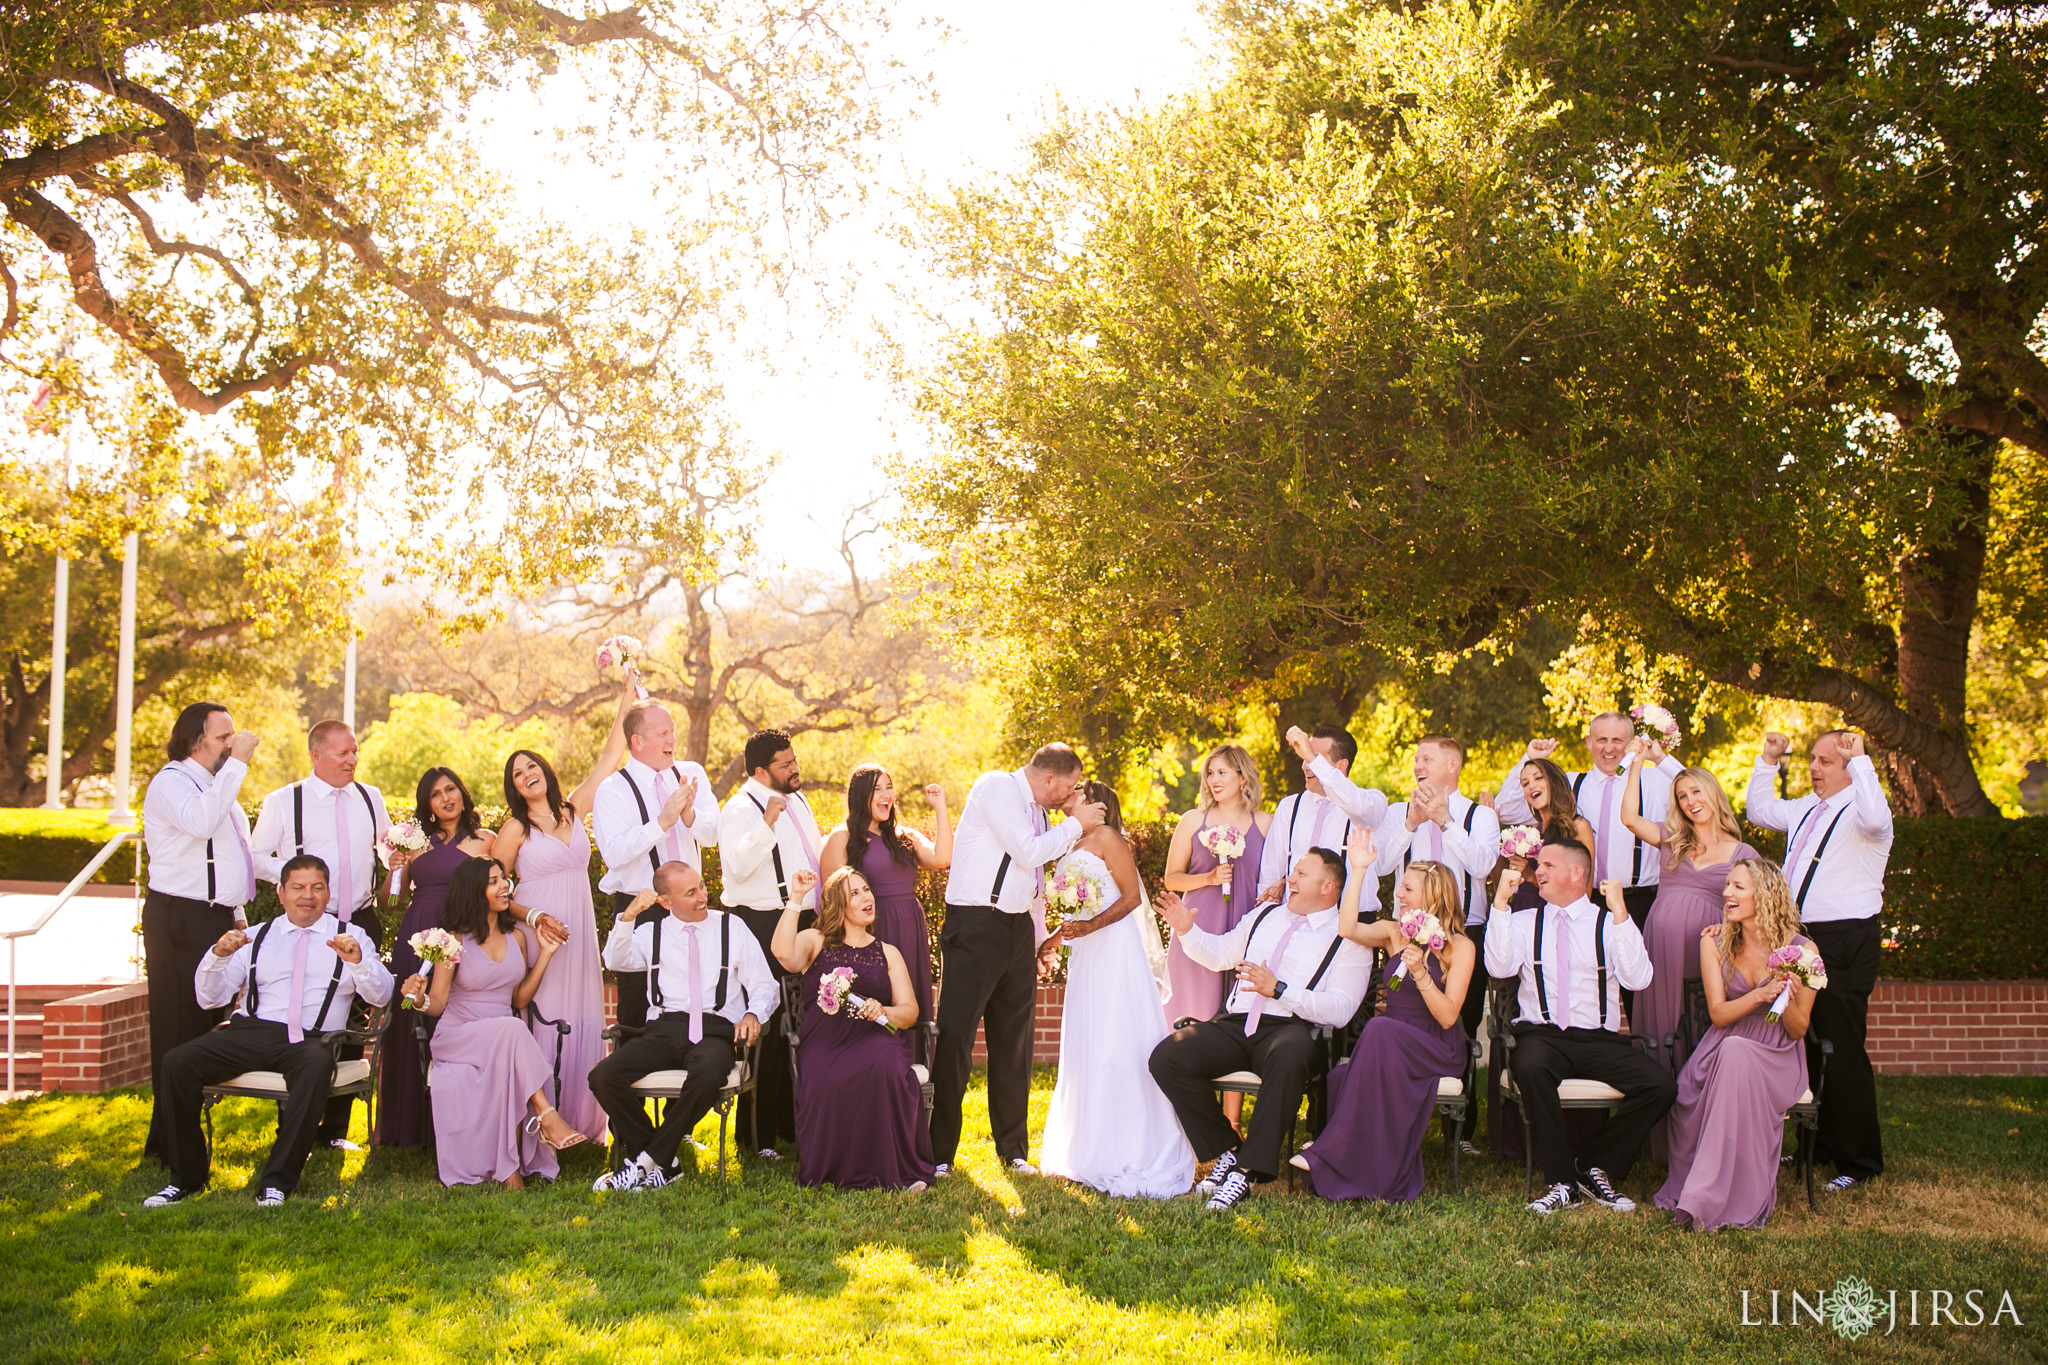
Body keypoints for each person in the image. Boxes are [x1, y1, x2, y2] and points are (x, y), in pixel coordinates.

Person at [142, 855, 393, 1207]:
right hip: (250, 1032)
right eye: (298, 888)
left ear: (328, 892)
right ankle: (186, 1178)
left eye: (317, 887)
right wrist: (217, 956)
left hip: (311, 1039)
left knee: (316, 1066)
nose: (308, 895)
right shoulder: (256, 936)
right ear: (281, 893)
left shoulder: (352, 937)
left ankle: (277, 1181)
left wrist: (359, 963)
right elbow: (209, 998)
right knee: (177, 1062)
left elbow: (381, 994)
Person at [1149, 849, 1374, 1212]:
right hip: (1236, 1024)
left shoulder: (1349, 937)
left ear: (1328, 887)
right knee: (1168, 1057)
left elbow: (1342, 1009)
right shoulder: (1265, 915)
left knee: (1287, 1057)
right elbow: (1220, 954)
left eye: (1301, 873)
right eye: (1292, 871)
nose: (1291, 880)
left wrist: (1281, 990)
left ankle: (1246, 1173)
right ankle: (1228, 1151)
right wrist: (1186, 928)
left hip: (1293, 1029)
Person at [931, 743, 1105, 1179]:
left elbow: (1033, 879)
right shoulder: (995, 789)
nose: (1069, 796)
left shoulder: (1042, 813)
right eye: (1066, 787)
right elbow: (1028, 851)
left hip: (1015, 933)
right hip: (974, 927)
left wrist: (1040, 938)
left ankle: (1012, 1151)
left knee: (1015, 1046)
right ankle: (937, 1154)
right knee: (956, 1041)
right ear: (1048, 779)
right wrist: (1075, 824)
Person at [1483, 840, 1673, 1214]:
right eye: (1539, 865)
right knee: (1532, 1066)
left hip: (1599, 1040)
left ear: (1576, 873)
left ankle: (1593, 1164)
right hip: (1542, 1035)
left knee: (1660, 1086)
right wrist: (1500, 905)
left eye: (1548, 865)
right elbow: (1498, 967)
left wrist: (1620, 912)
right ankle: (1561, 1181)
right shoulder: (1523, 920)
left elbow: (1638, 979)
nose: (1538, 871)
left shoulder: (1607, 922)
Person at [493, 669, 641, 1144]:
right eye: (517, 774)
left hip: (580, 930)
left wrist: (626, 697)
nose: (527, 775)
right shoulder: (516, 829)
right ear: (514, 787)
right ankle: (539, 1124)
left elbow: (611, 754)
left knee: (583, 1018)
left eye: (531, 766)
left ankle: (581, 1119)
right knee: (541, 1016)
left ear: (544, 770)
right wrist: (533, 919)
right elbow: (492, 890)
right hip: (541, 932)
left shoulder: (574, 808)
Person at [1744, 728, 1893, 1192]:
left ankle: (1860, 1160)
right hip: (1801, 937)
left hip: (1846, 937)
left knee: (1842, 1044)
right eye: (1813, 758)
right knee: (1805, 1040)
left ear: (1851, 769)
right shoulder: (1806, 807)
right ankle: (1820, 1146)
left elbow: (1874, 819)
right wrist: (1768, 762)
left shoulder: (1866, 813)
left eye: (1826, 761)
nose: (1813, 766)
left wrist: (1862, 759)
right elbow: (1759, 810)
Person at [1295, 830, 1474, 1202]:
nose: (1399, 895)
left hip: (1435, 1045)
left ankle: (1326, 1153)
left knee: (1377, 1027)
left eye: (1407, 889)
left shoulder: (1461, 947)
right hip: (1388, 1041)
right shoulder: (1394, 933)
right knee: (1339, 1075)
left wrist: (1422, 974)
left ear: (1433, 895)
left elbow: (1447, 1018)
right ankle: (1354, 1173)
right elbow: (1347, 928)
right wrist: (1358, 869)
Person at [1037, 782, 1197, 1199]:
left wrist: (1088, 927)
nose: (1070, 795)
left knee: (1117, 1040)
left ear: (1098, 804)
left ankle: (1133, 1147)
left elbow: (1129, 899)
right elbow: (1083, 904)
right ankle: (1090, 1148)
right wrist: (1059, 934)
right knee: (1089, 1042)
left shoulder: (1108, 838)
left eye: (1079, 791)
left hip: (1115, 950)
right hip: (1087, 953)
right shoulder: (1074, 842)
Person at [399, 858, 587, 1188]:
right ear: (474, 891)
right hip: (458, 1036)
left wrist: (545, 955)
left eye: (504, 878)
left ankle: (510, 1171)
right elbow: (437, 1003)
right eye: (493, 881)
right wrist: (417, 998)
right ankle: (546, 1116)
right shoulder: (452, 941)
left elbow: (518, 1001)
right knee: (513, 1028)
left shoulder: (517, 938)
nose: (505, 886)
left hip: (503, 1039)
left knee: (510, 1037)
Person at [590, 861, 777, 1191]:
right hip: (662, 1030)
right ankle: (664, 1161)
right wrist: (628, 916)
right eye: (690, 893)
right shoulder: (652, 933)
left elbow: (765, 985)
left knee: (708, 1075)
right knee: (603, 1076)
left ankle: (647, 1161)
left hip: (715, 1031)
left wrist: (753, 1014)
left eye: (702, 886)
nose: (702, 896)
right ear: (665, 901)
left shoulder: (731, 928)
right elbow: (615, 960)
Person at [248, 721, 392, 1148]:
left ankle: (333, 1132)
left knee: (353, 1020)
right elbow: (256, 858)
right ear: (316, 755)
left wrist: (394, 854)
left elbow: (383, 847)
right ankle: (292, 1125)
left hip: (361, 922)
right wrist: (301, 884)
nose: (352, 760)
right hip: (310, 924)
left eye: (355, 752)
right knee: (300, 1020)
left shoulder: (371, 797)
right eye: (343, 753)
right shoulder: (284, 801)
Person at [1655, 858, 1816, 1231]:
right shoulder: (1714, 942)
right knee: (1722, 1061)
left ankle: (1712, 1200)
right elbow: (1719, 1014)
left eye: (1737, 887)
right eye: (1727, 885)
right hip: (1724, 1041)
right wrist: (1761, 994)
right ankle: (1704, 1193)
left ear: (1765, 895)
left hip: (1776, 1051)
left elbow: (1796, 1030)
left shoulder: (1803, 950)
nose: (1726, 893)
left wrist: (1788, 993)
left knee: (1738, 1054)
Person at [138, 702, 261, 1165]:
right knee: (178, 1032)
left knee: (202, 1030)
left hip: (213, 918)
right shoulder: (172, 782)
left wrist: (237, 914)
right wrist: (241, 764)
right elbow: (201, 823)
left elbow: (230, 857)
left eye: (233, 736)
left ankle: (167, 1138)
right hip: (179, 918)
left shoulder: (213, 785)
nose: (232, 743)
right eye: (223, 736)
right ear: (196, 740)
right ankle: (172, 1146)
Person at [773, 866, 937, 1191]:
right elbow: (783, 953)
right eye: (855, 893)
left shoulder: (887, 952)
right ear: (838, 904)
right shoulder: (817, 941)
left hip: (875, 1038)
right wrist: (796, 897)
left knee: (888, 1065)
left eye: (867, 889)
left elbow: (910, 1011)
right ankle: (835, 1170)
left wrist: (885, 1010)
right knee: (826, 1074)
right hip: (825, 1041)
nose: (866, 898)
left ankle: (897, 1174)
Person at [1613, 743, 1755, 1080]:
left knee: (1697, 1018)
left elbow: (1755, 905)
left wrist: (1729, 926)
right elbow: (1629, 819)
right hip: (1660, 944)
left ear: (1712, 794)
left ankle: (1699, 1097)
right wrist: (1636, 764)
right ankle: (1659, 1104)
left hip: (1707, 946)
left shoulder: (1742, 851)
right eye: (1682, 796)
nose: (1690, 801)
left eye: (1696, 792)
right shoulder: (1672, 838)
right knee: (1660, 1025)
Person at [718, 729, 828, 1159]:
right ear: (761, 771)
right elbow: (738, 869)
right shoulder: (739, 810)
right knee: (767, 1025)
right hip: (762, 923)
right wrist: (767, 823)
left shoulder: (797, 799)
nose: (795, 768)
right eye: (785, 764)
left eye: (794, 759)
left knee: (798, 1025)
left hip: (804, 917)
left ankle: (789, 1125)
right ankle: (755, 1135)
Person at [375, 765, 496, 1147]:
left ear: (462, 792)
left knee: (452, 1022)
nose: (446, 798)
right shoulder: (415, 842)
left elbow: (499, 889)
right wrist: (393, 873)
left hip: (464, 937)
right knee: (411, 1024)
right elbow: (391, 904)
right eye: (436, 794)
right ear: (427, 804)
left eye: (451, 789)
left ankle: (455, 1127)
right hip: (417, 934)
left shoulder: (486, 839)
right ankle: (407, 1128)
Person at [1495, 715, 1687, 942]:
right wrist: (1530, 759)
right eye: (1601, 739)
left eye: (1618, 740)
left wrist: (1660, 758)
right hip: (1584, 902)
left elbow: (1704, 794)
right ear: (1588, 742)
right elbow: (1505, 809)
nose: (1608, 748)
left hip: (1641, 901)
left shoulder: (1654, 779)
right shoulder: (1570, 783)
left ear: (1632, 742)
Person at [591, 698, 720, 1032]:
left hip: (692, 905)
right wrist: (661, 823)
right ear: (637, 742)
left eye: (673, 732)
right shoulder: (612, 790)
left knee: (698, 996)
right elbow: (614, 854)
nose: (672, 741)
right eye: (663, 733)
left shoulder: (692, 774)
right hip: (642, 907)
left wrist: (688, 814)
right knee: (638, 1007)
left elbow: (712, 834)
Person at [818, 763, 951, 1044]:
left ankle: (917, 1071)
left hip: (910, 925)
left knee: (911, 995)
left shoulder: (904, 836)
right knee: (880, 996)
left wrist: (939, 806)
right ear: (860, 796)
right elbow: (833, 900)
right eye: (877, 789)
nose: (886, 794)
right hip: (873, 928)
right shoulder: (841, 838)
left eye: (889, 787)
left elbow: (941, 859)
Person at [1380, 735, 1499, 1048]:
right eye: (1416, 759)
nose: (1418, 766)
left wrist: (1446, 822)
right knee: (1405, 1012)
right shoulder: (1397, 812)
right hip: (1405, 933)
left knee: (1464, 1021)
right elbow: (1381, 866)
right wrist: (1409, 825)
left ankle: (1464, 1089)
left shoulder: (1480, 816)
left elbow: (1483, 867)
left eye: (1427, 759)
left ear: (1452, 765)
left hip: (1463, 933)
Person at [1160, 744, 1271, 1030]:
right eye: (1210, 773)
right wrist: (1208, 879)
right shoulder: (1193, 820)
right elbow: (1172, 878)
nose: (1214, 780)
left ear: (1243, 777)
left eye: (1222, 772)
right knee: (1191, 1009)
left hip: (1244, 926)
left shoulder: (1266, 823)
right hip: (1198, 924)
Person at [1257, 725, 1398, 909]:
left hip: (1351, 925)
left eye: (1315, 758)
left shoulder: (1371, 801)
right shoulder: (1289, 806)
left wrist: (1313, 759)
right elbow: (1270, 871)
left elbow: (1357, 804)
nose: (1305, 765)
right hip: (1292, 921)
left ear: (1341, 766)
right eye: (1305, 756)